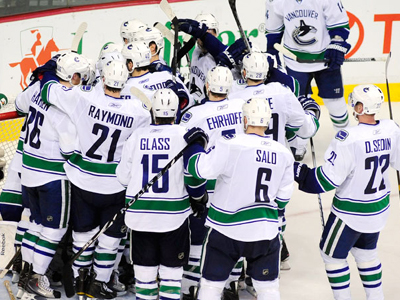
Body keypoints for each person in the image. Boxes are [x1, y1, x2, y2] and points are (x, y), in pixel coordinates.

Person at [40, 59, 151, 299]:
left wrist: (50, 71)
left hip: (83, 181)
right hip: (115, 186)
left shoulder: (84, 97)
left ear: (103, 79)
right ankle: (99, 283)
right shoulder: (138, 112)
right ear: (124, 82)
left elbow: (48, 91)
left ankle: (81, 284)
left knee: (82, 236)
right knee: (110, 240)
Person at [293, 84, 400, 300]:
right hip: (378, 210)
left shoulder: (348, 138)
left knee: (331, 255)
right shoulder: (392, 128)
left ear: (360, 107)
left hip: (350, 214)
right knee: (366, 254)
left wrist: (299, 172)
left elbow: (325, 181)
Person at [184, 97, 295, 300]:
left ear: (245, 120)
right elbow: (283, 199)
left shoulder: (230, 144)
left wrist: (194, 146)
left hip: (226, 230)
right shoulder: (284, 153)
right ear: (267, 122)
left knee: (211, 286)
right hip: (265, 232)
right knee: (269, 290)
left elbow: (199, 169)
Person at [116, 88, 206, 300]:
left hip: (140, 217)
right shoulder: (185, 135)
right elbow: (195, 172)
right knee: (171, 278)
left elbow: (122, 178)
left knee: (144, 277)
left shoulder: (137, 136)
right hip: (173, 218)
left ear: (153, 112)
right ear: (176, 112)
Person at [15, 51, 90, 299]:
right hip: (52, 177)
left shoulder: (39, 87)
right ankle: (37, 278)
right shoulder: (65, 105)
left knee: (36, 224)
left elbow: (18, 105)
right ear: (73, 76)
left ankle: (24, 274)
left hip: (28, 172)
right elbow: (70, 152)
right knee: (54, 230)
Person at [179, 66, 245, 300]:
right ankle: (232, 282)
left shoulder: (194, 114)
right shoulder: (241, 107)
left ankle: (190, 285)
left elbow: (184, 152)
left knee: (198, 235)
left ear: (207, 86)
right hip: (237, 181)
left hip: (206, 181)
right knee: (233, 232)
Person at [265, 0, 351, 160]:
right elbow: (273, 32)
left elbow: (339, 24)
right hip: (295, 61)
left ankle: (346, 141)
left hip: (325, 60)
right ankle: (299, 144)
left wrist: (337, 44)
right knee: (298, 105)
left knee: (335, 104)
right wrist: (272, 52)